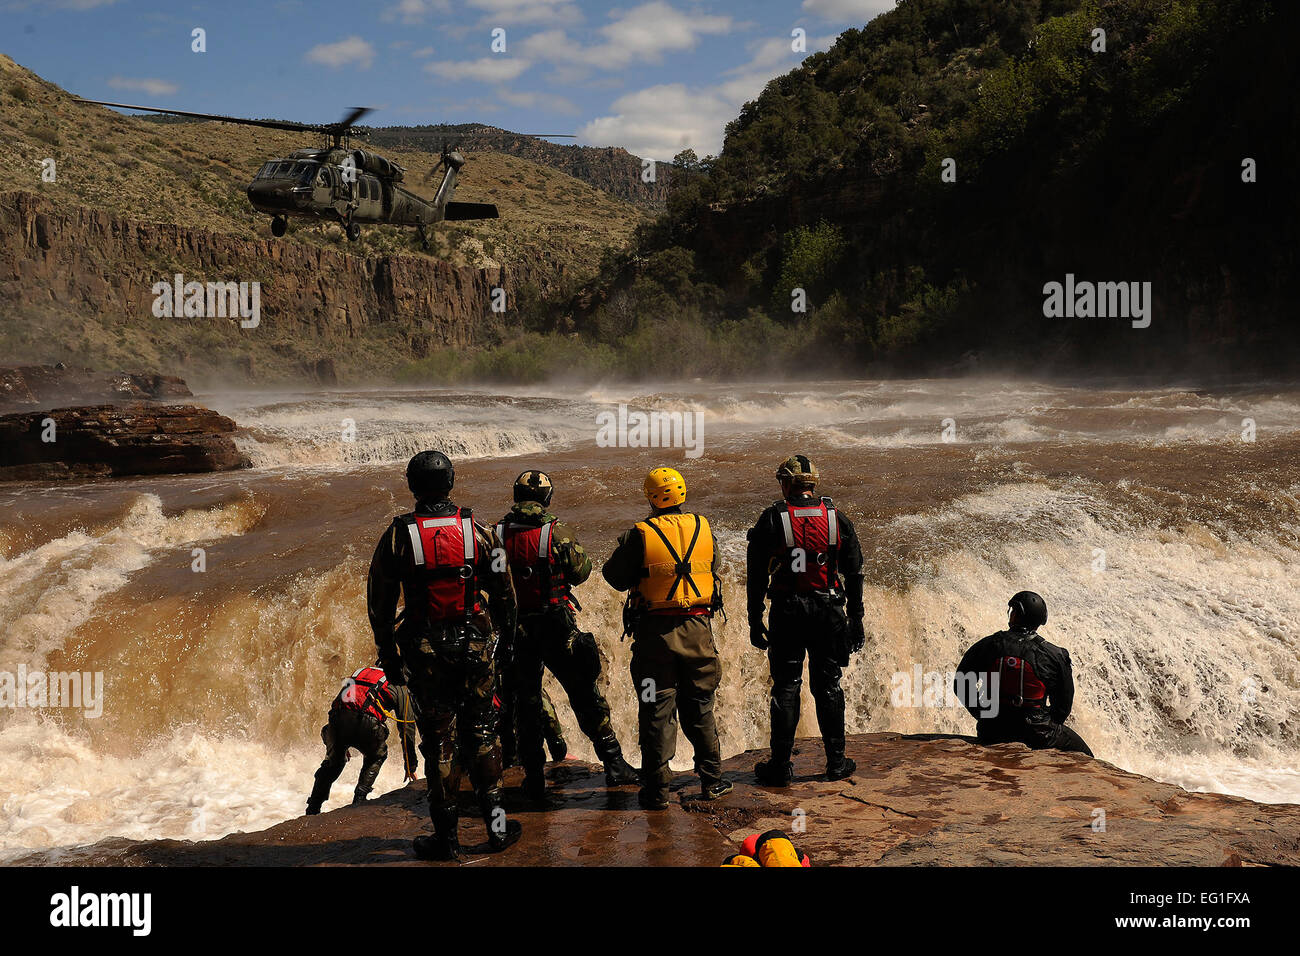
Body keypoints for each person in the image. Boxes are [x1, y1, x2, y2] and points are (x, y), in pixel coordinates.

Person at [367, 450, 522, 860]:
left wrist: (389, 657)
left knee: (438, 743)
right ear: (450, 482)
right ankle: (498, 831)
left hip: (425, 655)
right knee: (484, 733)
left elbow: (379, 606)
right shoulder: (479, 530)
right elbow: (505, 592)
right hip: (475, 651)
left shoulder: (399, 536)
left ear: (412, 486)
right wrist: (506, 640)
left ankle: (446, 840)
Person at [496, 469, 638, 801]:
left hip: (515, 629)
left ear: (516, 497)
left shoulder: (494, 533)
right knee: (584, 695)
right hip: (555, 624)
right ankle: (614, 765)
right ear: (547, 498)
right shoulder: (557, 534)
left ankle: (533, 779)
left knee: (525, 704)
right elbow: (583, 571)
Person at [602, 466, 732, 810]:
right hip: (699, 632)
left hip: (654, 638)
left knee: (656, 708)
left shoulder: (639, 534)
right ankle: (713, 782)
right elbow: (712, 564)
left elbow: (613, 577)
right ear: (683, 494)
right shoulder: (703, 528)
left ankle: (657, 791)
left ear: (650, 497)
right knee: (701, 705)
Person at [746, 455, 866, 786]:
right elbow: (854, 572)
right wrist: (856, 619)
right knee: (828, 685)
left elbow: (755, 576)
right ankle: (836, 763)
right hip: (829, 612)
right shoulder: (836, 518)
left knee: (786, 686)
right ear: (812, 484)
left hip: (788, 612)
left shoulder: (772, 518)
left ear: (786, 484)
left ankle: (781, 767)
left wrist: (754, 619)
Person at [953, 590, 1093, 756]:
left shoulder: (989, 645)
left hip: (991, 731)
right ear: (1040, 620)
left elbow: (960, 683)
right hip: (1038, 735)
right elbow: (1062, 707)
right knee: (1086, 755)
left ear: (1015, 616)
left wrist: (984, 715)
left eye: (1012, 611)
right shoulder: (1054, 654)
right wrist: (1043, 723)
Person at [305, 664, 418, 815]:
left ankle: (313, 807)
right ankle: (359, 800)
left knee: (334, 763)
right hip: (366, 724)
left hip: (337, 720)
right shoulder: (400, 684)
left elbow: (337, 706)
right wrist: (411, 766)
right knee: (377, 755)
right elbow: (406, 728)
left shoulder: (360, 672)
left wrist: (337, 743)